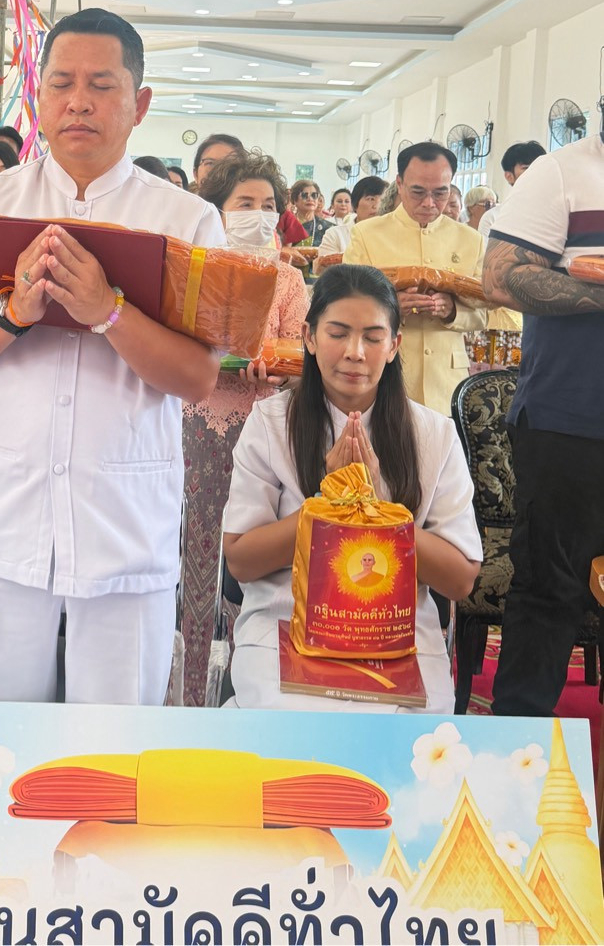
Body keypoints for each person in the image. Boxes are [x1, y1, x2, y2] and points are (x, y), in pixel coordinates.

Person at [0, 8, 224, 706]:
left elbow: (200, 378)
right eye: (60, 83)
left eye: (102, 85)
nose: (78, 101)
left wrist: (108, 313)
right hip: (4, 520)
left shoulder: (186, 221)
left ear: (140, 103)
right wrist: (15, 313)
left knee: (114, 767)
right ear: (38, 98)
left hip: (124, 527)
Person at [222, 264, 481, 711]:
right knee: (288, 714)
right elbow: (242, 560)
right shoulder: (269, 424)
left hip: (395, 628)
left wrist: (375, 510)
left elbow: (459, 578)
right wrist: (328, 505)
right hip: (287, 618)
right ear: (308, 336)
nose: (355, 353)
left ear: (395, 344)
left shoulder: (433, 434)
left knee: (409, 729)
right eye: (337, 333)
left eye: (373, 337)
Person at [179, 149, 309, 705]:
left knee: (252, 558)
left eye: (268, 205)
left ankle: (247, 688)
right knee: (193, 554)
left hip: (262, 430)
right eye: (244, 204)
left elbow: (297, 352)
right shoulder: (196, 271)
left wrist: (272, 367)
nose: (258, 214)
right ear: (217, 211)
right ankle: (187, 692)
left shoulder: (287, 279)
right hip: (196, 423)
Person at [483, 126, 604, 717]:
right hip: (572, 420)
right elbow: (501, 276)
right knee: (551, 586)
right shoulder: (561, 172)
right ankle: (517, 747)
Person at [344, 142, 486, 414]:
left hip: (447, 381)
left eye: (440, 193)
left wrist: (452, 311)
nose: (429, 203)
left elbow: (483, 314)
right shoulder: (367, 234)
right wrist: (391, 307)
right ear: (399, 184)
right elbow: (345, 306)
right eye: (418, 191)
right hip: (385, 375)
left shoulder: (471, 240)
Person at [477, 141, 547, 236]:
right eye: (526, 168)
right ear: (509, 176)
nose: (535, 172)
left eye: (539, 167)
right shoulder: (493, 218)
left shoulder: (556, 214)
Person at [318, 176, 385, 261]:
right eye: (371, 199)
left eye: (383, 200)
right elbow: (327, 269)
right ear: (355, 204)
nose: (377, 206)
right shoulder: (335, 235)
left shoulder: (391, 236)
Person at [289, 180, 332, 249]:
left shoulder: (328, 228)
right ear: (295, 200)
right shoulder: (287, 226)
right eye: (304, 195)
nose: (310, 198)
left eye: (314, 195)